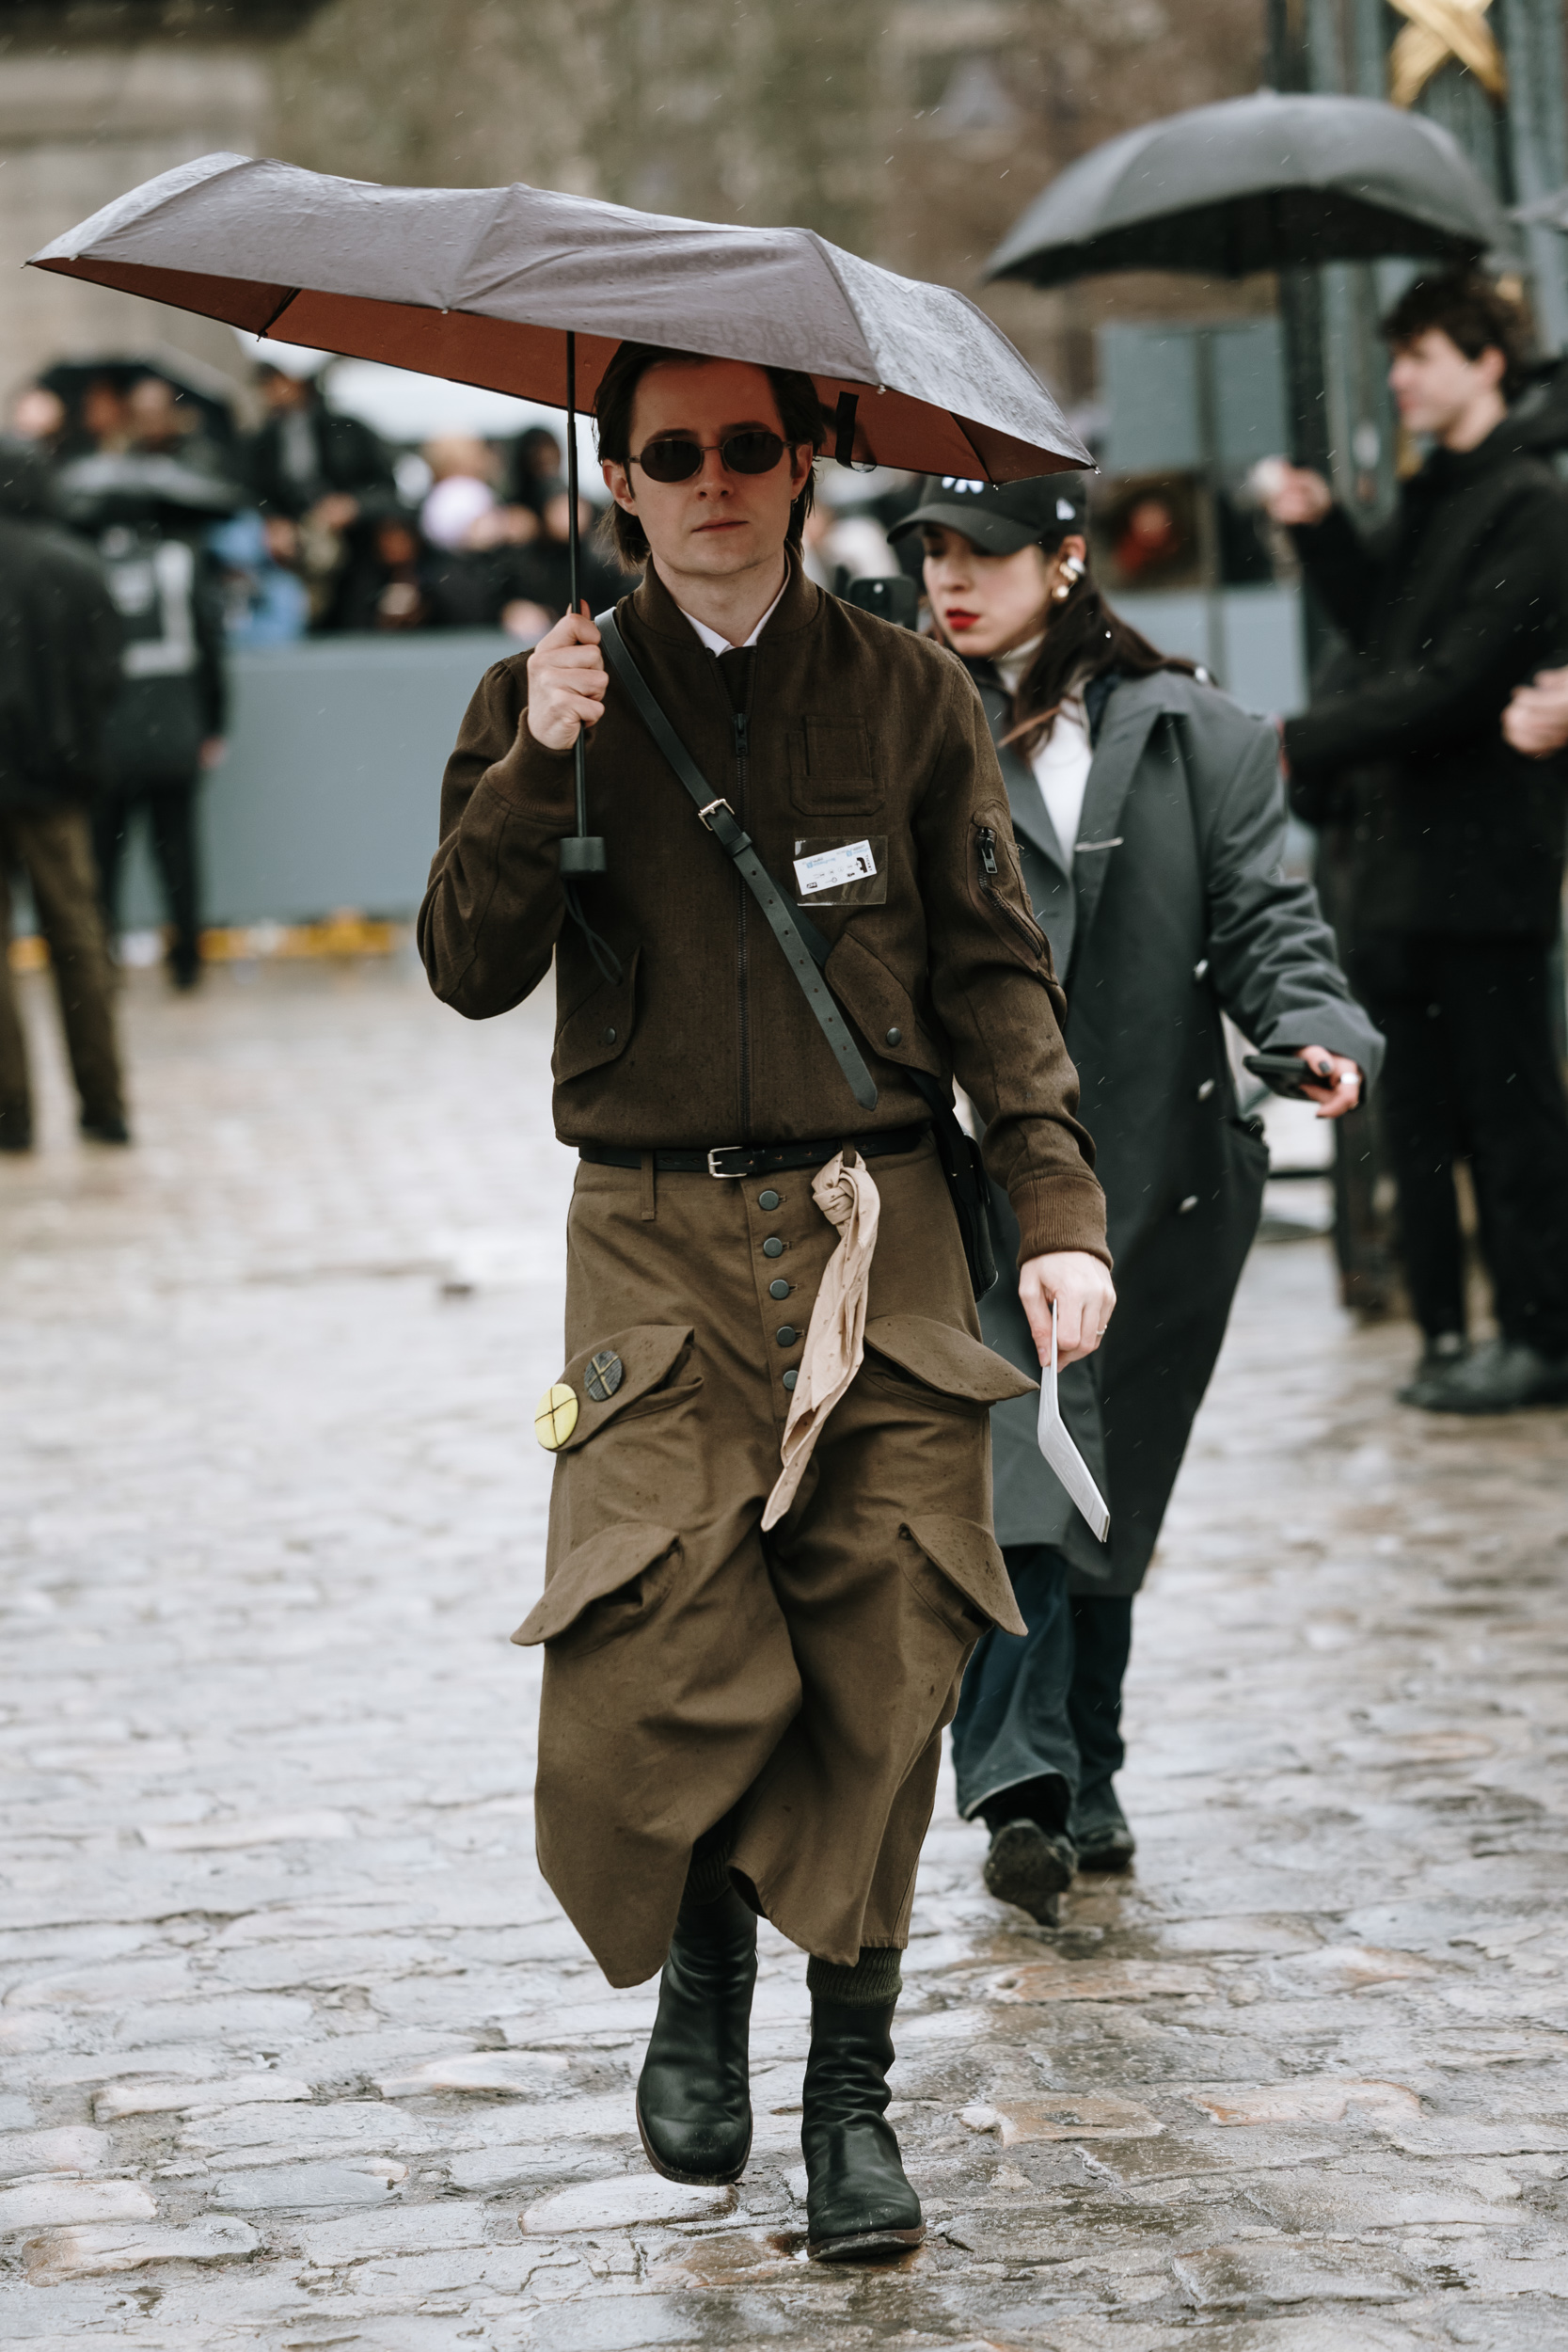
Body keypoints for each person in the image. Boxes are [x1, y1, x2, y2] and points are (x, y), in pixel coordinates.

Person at [420, 342, 1115, 2262]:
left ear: (806, 463)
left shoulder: (903, 693)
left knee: (885, 1643)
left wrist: (1052, 1207)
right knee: (660, 1630)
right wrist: (534, 757)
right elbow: (466, 964)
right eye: (671, 451)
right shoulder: (537, 688)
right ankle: (701, 1984)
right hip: (644, 1237)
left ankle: (849, 2098)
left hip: (874, 1221)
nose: (711, 479)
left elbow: (993, 974)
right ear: (618, 480)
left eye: (748, 443)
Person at [888, 475, 1380, 1915]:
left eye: (981, 551)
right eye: (929, 550)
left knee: (1109, 1492)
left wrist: (1317, 1035)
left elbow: (1264, 923)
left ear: (1064, 557)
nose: (950, 579)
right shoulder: (893, 724)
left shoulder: (1200, 736)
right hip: (970, 1169)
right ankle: (1017, 1781)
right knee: (1013, 1471)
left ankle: (1083, 1772)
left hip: (1162, 1176)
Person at [1262, 272, 1568, 1415]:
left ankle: (1539, 1332)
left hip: (1484, 860)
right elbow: (1383, 631)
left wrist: (1299, 738)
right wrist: (1323, 530)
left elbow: (1451, 685)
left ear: (1487, 360)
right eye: (1392, 356)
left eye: (1421, 354)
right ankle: (1443, 1330)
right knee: (1422, 1114)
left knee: (1509, 1110)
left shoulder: (1527, 502)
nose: (1398, 378)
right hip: (1397, 862)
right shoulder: (1436, 493)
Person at [0, 440, 129, 1152]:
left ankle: (10, 1114)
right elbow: (105, 676)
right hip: (55, 787)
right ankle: (103, 1102)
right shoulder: (75, 565)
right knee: (77, 941)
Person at [89, 487, 230, 991]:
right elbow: (211, 648)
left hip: (105, 736)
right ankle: (187, 962)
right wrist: (214, 723)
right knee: (178, 853)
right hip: (174, 730)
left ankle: (100, 965)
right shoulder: (180, 560)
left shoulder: (84, 562)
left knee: (103, 857)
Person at [245, 364, 397, 631]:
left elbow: (387, 487)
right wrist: (272, 521)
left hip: (356, 554)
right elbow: (253, 493)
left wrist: (353, 505)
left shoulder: (349, 430)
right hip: (295, 556)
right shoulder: (264, 440)